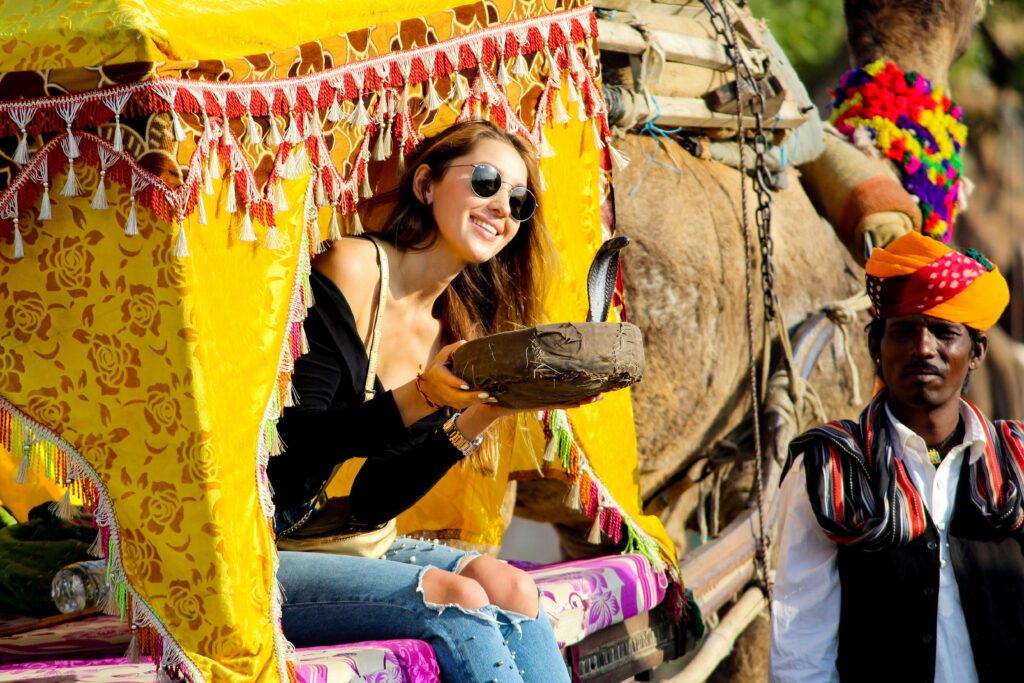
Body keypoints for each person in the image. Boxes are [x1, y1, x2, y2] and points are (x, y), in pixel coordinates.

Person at [270, 120, 592, 682]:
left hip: (353, 543)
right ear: (426, 185)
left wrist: (483, 413)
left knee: (512, 586)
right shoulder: (350, 269)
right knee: (457, 597)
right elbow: (296, 448)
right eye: (486, 181)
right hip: (265, 547)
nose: (502, 208)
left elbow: (375, 499)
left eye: (519, 201)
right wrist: (419, 396)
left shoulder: (453, 329)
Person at [770, 231, 1021, 683]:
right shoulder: (830, 468)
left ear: (976, 352)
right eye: (904, 331)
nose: (923, 348)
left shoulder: (1017, 462)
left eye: (944, 332)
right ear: (875, 349)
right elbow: (801, 638)